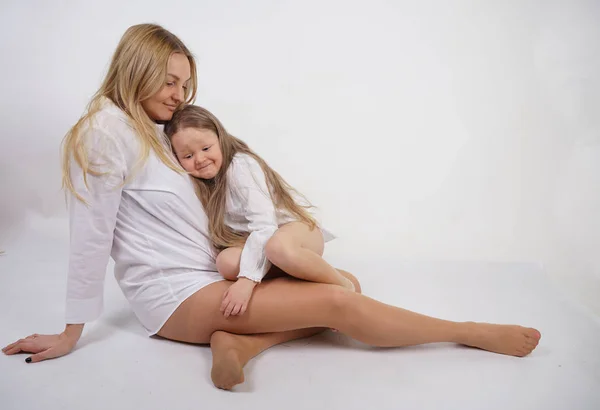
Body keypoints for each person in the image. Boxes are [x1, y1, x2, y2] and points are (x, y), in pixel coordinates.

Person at [1, 23, 541, 391]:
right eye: (169, 81)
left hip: (204, 277)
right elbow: (91, 234)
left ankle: (240, 341)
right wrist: (71, 330)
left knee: (342, 277)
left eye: (186, 83)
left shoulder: (154, 131)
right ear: (135, 69)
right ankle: (469, 331)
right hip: (173, 294)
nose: (179, 94)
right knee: (340, 302)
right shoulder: (103, 134)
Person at [164, 105, 355, 318]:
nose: (199, 159)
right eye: (188, 156)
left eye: (206, 148)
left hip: (296, 234)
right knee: (226, 263)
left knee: (278, 247)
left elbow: (265, 225)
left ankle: (345, 287)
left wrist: (247, 281)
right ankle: (300, 284)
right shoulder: (201, 183)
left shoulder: (240, 166)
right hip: (265, 244)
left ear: (221, 139)